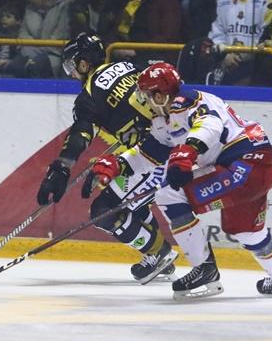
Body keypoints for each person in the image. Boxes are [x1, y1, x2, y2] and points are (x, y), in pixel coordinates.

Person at [83, 62, 272, 299]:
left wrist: (188, 150)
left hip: (243, 164)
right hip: (256, 164)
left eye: (146, 96)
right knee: (246, 230)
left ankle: (204, 269)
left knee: (168, 194)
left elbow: (210, 125)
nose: (144, 102)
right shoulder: (164, 119)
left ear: (159, 96)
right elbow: (149, 153)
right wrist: (118, 164)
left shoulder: (186, 102)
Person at [37, 32, 178, 284]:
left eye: (71, 66)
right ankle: (158, 253)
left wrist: (61, 168)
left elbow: (80, 135)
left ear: (83, 64)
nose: (71, 74)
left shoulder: (89, 96)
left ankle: (158, 252)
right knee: (132, 203)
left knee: (103, 211)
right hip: (175, 143)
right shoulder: (128, 66)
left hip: (154, 156)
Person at [189, 0, 272, 86]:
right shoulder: (223, 0)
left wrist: (241, 56)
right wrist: (224, 55)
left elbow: (265, 35)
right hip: (225, 61)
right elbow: (216, 34)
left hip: (254, 64)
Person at [114, 0, 181, 67]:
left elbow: (168, 36)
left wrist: (137, 50)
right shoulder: (122, 2)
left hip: (158, 59)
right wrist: (115, 47)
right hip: (128, 59)